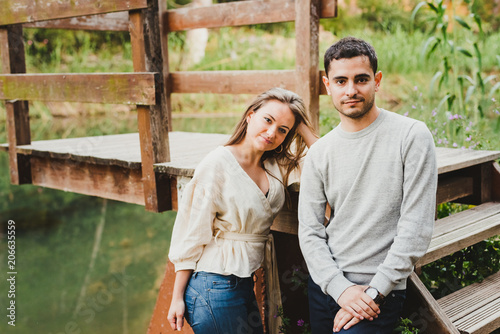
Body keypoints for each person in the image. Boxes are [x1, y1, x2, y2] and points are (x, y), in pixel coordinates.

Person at [298, 37, 438, 333]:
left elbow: (416, 228)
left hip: (378, 293)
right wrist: (340, 289)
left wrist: (373, 292)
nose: (351, 90)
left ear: (377, 81)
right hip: (326, 290)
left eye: (361, 79)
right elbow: (309, 231)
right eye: (341, 81)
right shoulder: (320, 152)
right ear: (327, 85)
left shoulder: (411, 136)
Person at [167, 87, 318, 333]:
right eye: (267, 120)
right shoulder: (218, 164)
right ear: (250, 115)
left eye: (282, 130)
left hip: (243, 281)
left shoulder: (277, 164)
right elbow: (191, 231)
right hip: (213, 283)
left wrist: (300, 125)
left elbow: (323, 160)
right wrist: (176, 297)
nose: (271, 133)